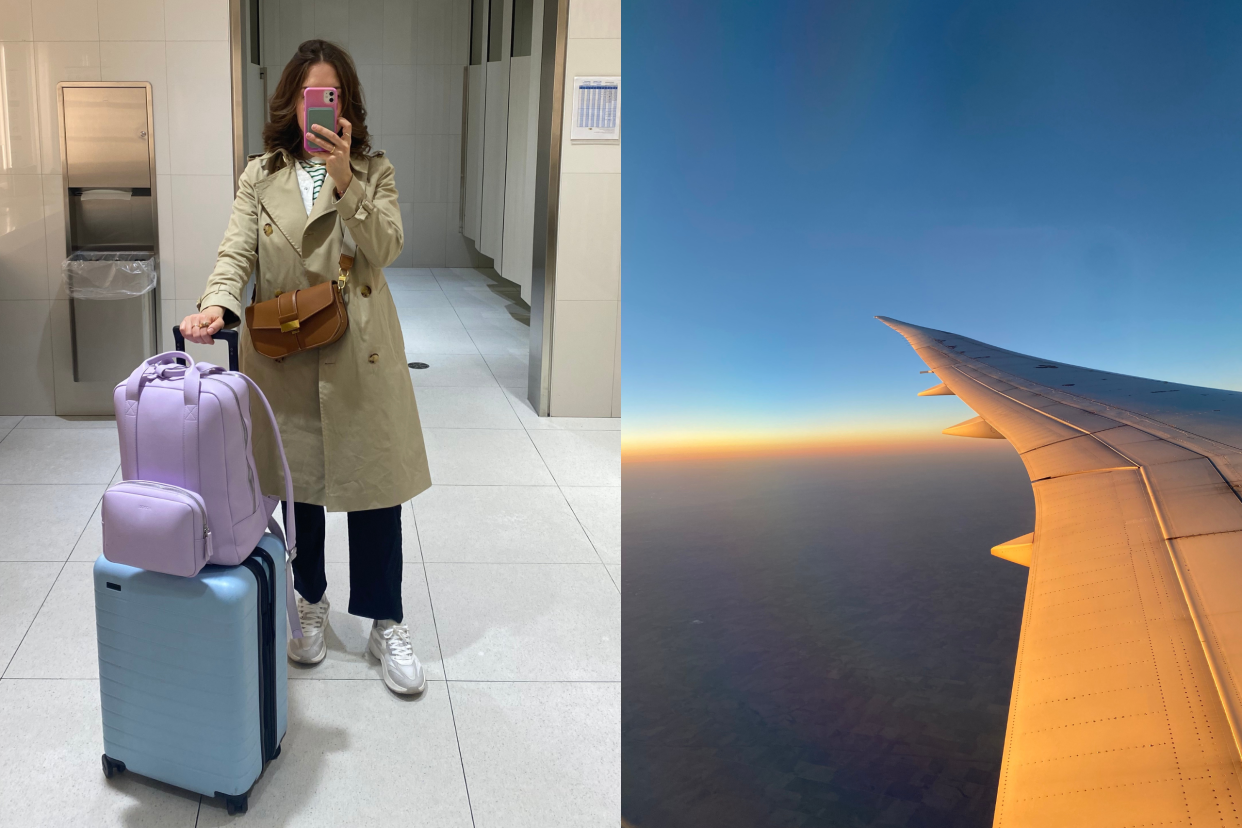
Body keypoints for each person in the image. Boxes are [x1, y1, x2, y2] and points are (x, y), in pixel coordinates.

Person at [180, 39, 431, 695]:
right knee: (302, 491)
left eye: (333, 95)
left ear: (347, 105)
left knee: (375, 491)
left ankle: (385, 620)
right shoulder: (259, 175)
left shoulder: (373, 170)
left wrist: (346, 181)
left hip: (360, 349)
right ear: (290, 100)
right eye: (309, 94)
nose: (320, 106)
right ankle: (310, 601)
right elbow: (236, 253)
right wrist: (216, 305)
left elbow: (387, 246)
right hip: (287, 349)